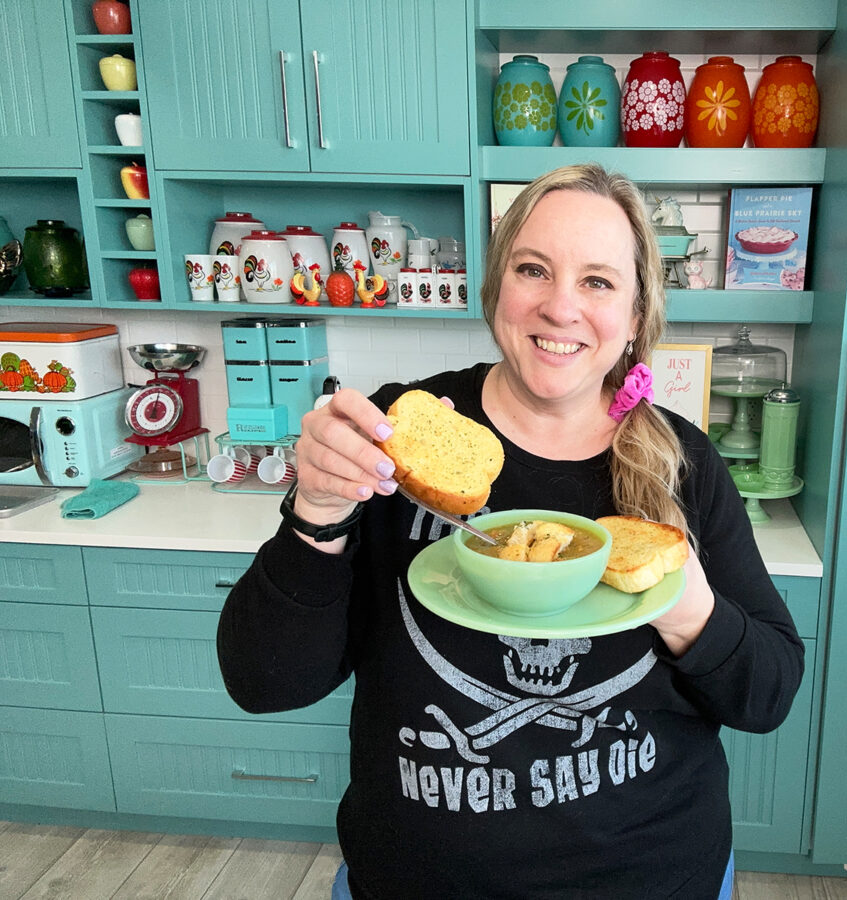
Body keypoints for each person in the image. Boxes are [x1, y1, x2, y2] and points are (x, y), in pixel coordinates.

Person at [217, 163, 805, 899]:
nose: (561, 307)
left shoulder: (682, 462)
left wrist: (692, 611)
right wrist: (319, 514)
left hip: (653, 878)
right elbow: (264, 682)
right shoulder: (397, 440)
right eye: (533, 269)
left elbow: (769, 693)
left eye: (597, 281)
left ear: (636, 312)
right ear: (496, 288)